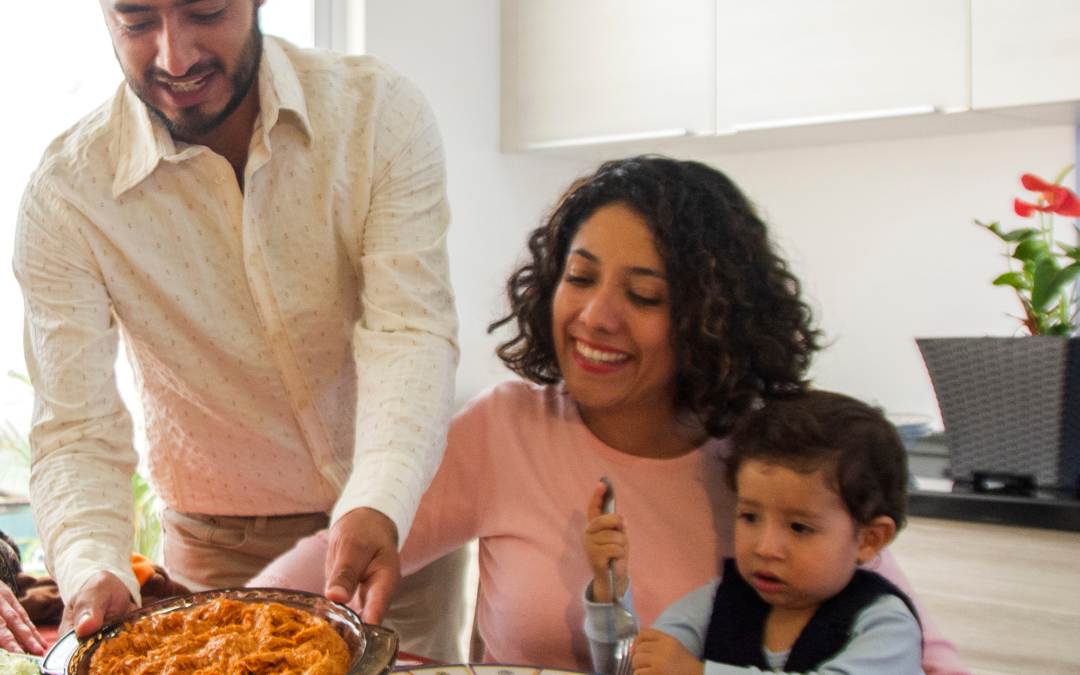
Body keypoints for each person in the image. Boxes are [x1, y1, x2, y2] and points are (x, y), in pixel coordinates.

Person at [253, 156, 968, 674]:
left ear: (711, 321)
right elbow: (335, 562)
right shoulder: (507, 427)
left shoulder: (765, 459)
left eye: (646, 295)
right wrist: (208, 622)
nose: (595, 318)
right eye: (581, 276)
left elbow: (914, 642)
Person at [14, 0, 458, 642]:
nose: (175, 57)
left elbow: (408, 331)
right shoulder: (67, 197)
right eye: (137, 21)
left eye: (206, 11)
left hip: (397, 521)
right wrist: (90, 568)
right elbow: (76, 429)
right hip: (220, 551)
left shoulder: (377, 114)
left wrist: (380, 497)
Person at [583, 390, 923, 675]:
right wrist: (608, 587)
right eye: (750, 517)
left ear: (869, 539)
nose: (765, 547)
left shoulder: (886, 625)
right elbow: (630, 668)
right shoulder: (717, 602)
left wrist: (699, 673)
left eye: (799, 527)